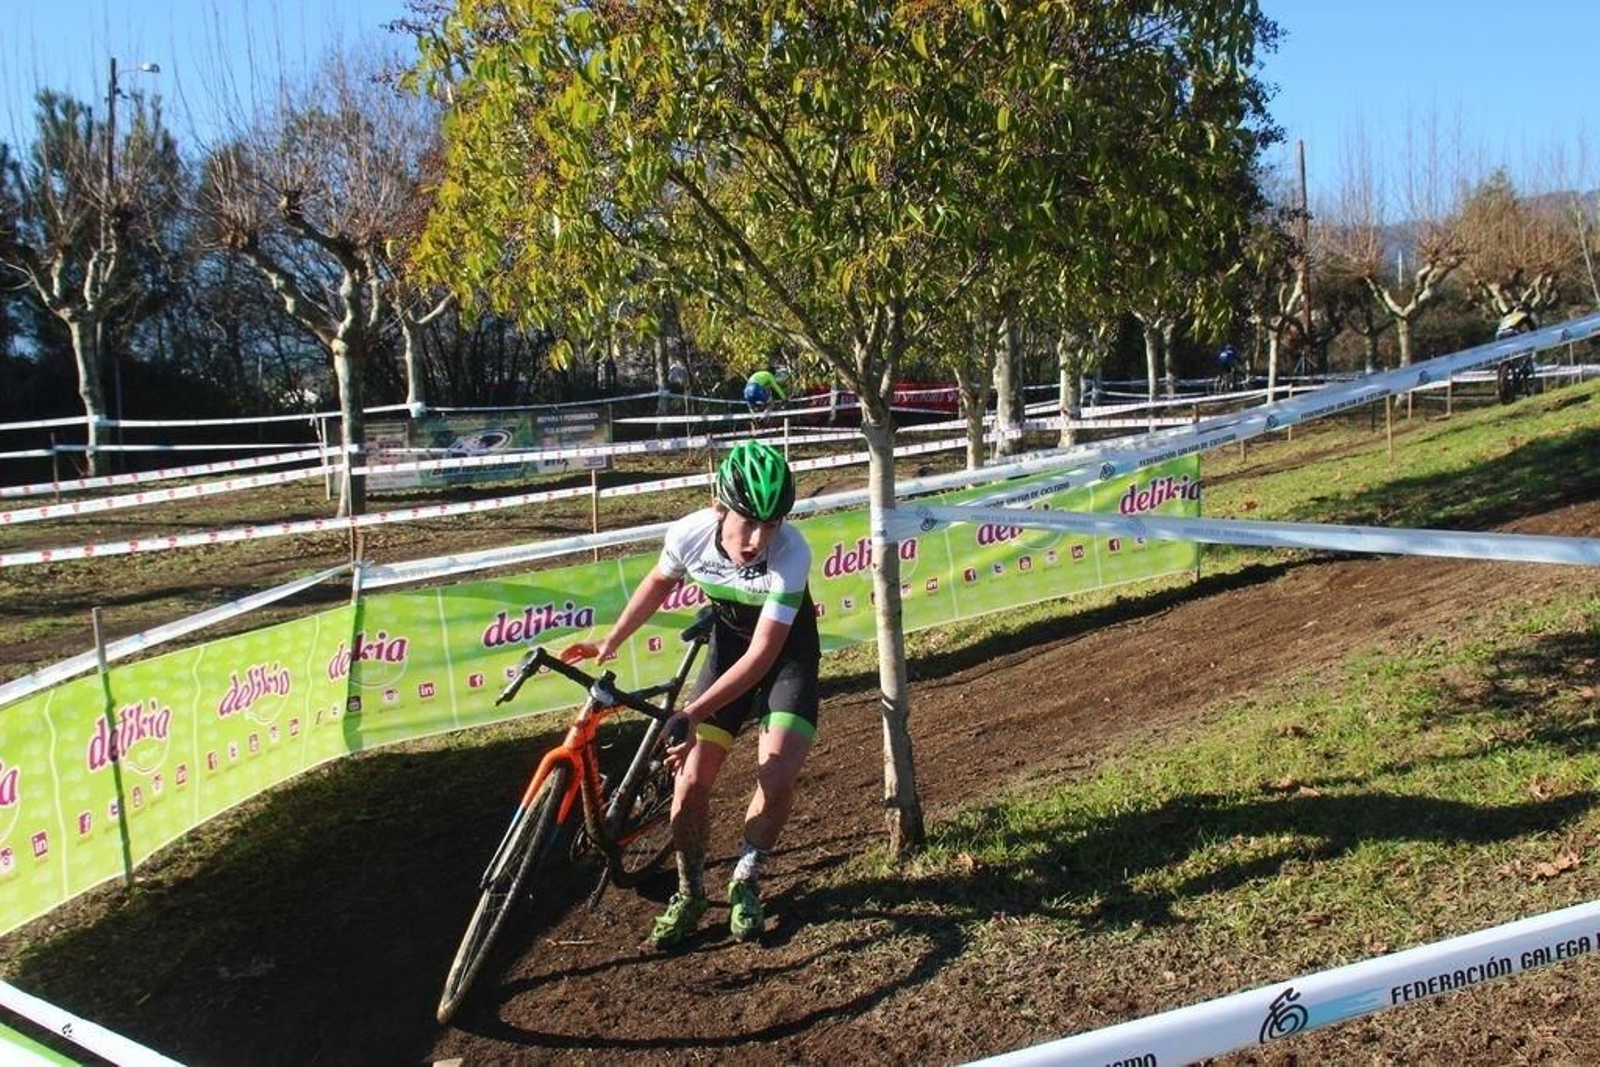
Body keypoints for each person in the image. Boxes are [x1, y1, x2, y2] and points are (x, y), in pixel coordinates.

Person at [573, 439, 818, 949]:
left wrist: (691, 711)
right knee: (688, 784)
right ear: (718, 507)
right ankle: (690, 893)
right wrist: (611, 639)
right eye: (747, 520)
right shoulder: (689, 533)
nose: (757, 538)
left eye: (770, 524)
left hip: (784, 660)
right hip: (727, 651)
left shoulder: (792, 553)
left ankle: (746, 879)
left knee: (776, 775)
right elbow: (658, 584)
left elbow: (764, 657)